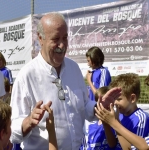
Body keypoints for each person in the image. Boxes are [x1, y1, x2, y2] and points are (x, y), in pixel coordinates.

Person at [10, 12, 121, 150]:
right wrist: (28, 122)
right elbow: (13, 132)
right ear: (40, 39)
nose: (62, 45)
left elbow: (84, 106)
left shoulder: (73, 68)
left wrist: (98, 107)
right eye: (56, 39)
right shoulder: (26, 76)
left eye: (65, 37)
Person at [96, 73, 149, 149]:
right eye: (114, 99)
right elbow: (112, 143)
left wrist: (114, 122)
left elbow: (130, 148)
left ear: (132, 98)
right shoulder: (119, 115)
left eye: (118, 99)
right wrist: (105, 122)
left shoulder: (141, 118)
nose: (115, 102)